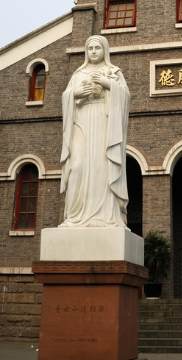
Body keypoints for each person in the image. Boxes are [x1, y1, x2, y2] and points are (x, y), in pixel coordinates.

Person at [59, 35, 130, 228]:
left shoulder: (113, 72)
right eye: (90, 48)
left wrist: (108, 84)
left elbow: (125, 96)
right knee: (78, 165)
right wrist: (75, 94)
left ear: (104, 50)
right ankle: (74, 217)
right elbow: (66, 96)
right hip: (81, 122)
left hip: (103, 123)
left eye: (97, 48)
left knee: (101, 166)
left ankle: (104, 216)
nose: (93, 52)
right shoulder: (78, 74)